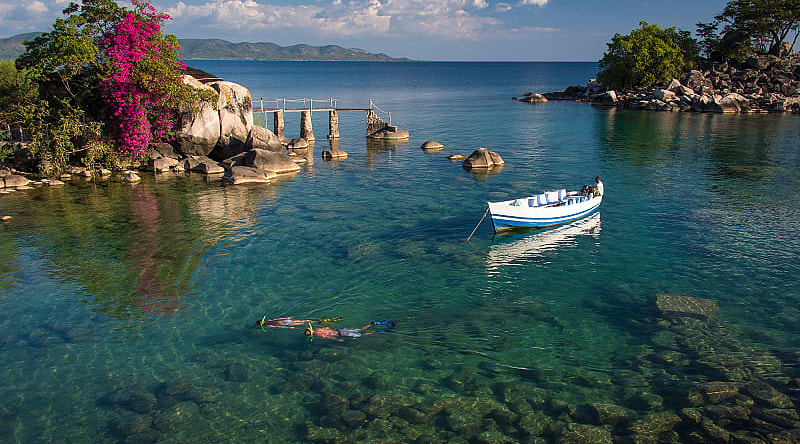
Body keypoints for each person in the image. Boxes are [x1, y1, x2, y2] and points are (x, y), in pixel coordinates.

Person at [304, 320, 395, 342]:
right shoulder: (318, 329)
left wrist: (337, 340)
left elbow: (328, 336)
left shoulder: (318, 334)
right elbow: (327, 329)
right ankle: (371, 324)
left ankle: (377, 332)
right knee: (359, 329)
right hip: (341, 330)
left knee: (360, 335)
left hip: (341, 333)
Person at [256, 316, 341, 330]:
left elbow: (278, 327)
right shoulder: (269, 320)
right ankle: (322, 320)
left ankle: (319, 321)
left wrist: (288, 328)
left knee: (303, 323)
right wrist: (287, 318)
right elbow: (278, 318)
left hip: (286, 324)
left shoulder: (268, 325)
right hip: (286, 321)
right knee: (303, 321)